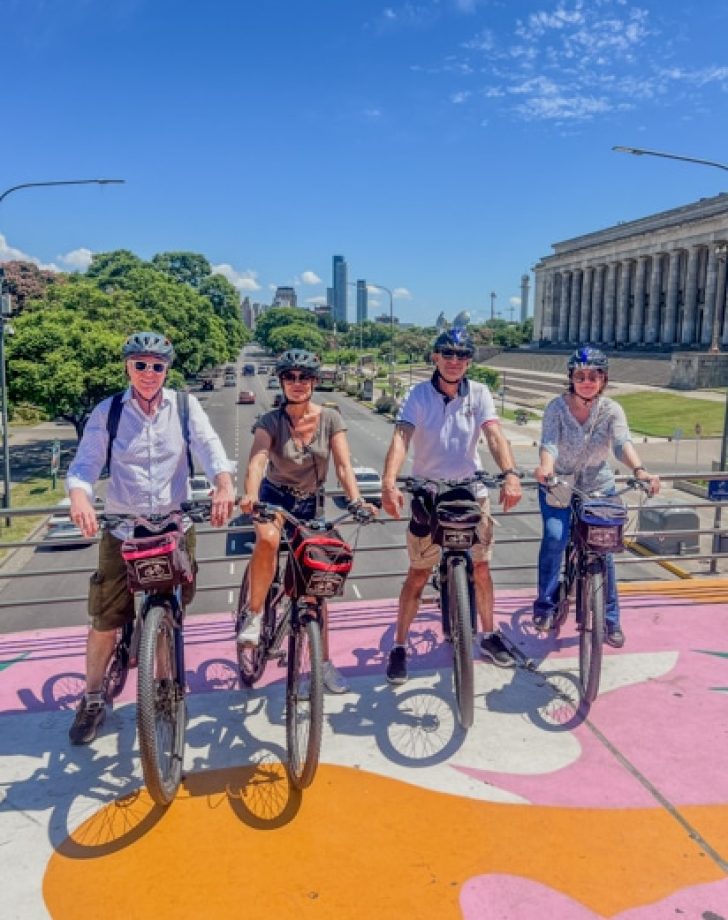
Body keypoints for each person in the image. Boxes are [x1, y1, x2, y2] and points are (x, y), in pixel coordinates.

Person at [66, 331, 236, 744]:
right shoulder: (108, 412)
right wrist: (79, 498)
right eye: (139, 364)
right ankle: (91, 699)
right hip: (124, 528)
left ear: (167, 369)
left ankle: (162, 685)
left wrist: (224, 482)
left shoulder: (183, 405)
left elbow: (211, 447)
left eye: (157, 366)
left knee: (171, 612)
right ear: (127, 366)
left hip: (175, 526)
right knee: (106, 621)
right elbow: (84, 465)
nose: (148, 373)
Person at [381, 327, 523, 684]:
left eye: (462, 356)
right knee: (417, 574)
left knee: (482, 569)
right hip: (429, 494)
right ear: (435, 357)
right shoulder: (418, 394)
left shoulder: (479, 393)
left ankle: (488, 634)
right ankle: (399, 645)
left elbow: (493, 434)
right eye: (448, 354)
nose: (455, 361)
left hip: (469, 490)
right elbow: (402, 437)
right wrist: (388, 482)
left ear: (470, 361)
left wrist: (510, 473)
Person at [237, 349, 377, 694]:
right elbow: (257, 460)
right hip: (275, 498)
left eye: (304, 377)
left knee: (316, 591)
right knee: (268, 541)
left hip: (310, 504)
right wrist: (251, 495)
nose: (297, 384)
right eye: (290, 377)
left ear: (315, 382)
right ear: (282, 382)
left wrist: (357, 500)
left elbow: (344, 467)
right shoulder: (269, 421)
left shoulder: (330, 418)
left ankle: (324, 662)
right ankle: (254, 616)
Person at [532, 346, 660, 647]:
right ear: (571, 378)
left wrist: (640, 470)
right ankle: (546, 606)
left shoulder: (611, 409)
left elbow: (621, 444)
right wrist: (546, 468)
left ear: (603, 379)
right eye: (581, 375)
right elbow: (549, 443)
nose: (587, 381)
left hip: (597, 484)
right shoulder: (556, 407)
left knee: (604, 548)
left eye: (594, 376)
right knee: (555, 537)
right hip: (559, 482)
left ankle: (610, 619)